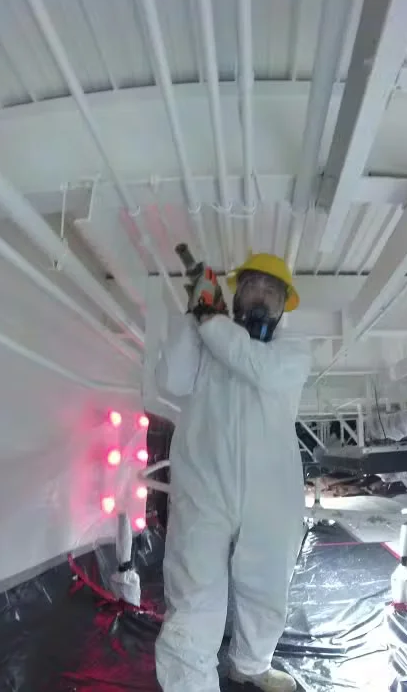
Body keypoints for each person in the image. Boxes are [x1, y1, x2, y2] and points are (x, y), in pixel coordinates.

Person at [154, 252, 312, 692]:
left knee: (266, 586)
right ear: (237, 293)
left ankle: (251, 664)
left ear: (284, 306)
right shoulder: (205, 337)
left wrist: (210, 321)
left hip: (271, 489)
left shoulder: (294, 352)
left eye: (273, 290)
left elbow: (258, 368)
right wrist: (193, 316)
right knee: (193, 592)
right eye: (253, 285)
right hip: (205, 485)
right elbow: (173, 381)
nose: (261, 296)